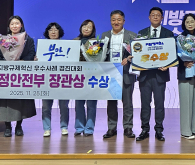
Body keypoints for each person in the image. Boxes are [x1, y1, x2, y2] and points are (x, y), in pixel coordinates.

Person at [0, 15, 37, 137]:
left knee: (20, 101)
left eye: (17, 23)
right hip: (6, 76)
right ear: (9, 26)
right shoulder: (3, 40)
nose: (14, 26)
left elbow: (31, 55)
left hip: (22, 75)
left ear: (21, 25)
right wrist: (7, 63)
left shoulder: (28, 40)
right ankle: (7, 126)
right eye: (12, 24)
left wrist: (20, 62)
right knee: (6, 101)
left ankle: (19, 126)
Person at [136, 7, 174, 142]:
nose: (156, 17)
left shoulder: (168, 33)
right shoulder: (142, 33)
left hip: (160, 75)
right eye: (153, 15)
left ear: (162, 17)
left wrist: (168, 64)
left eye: (158, 15)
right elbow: (137, 52)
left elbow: (172, 53)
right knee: (145, 104)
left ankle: (159, 130)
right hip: (145, 75)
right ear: (149, 17)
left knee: (159, 104)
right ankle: (144, 129)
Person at [101, 10, 137, 139]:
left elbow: (138, 54)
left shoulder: (132, 35)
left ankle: (128, 127)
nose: (116, 22)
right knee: (111, 103)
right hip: (110, 74)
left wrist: (129, 58)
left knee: (127, 102)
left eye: (119, 19)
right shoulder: (104, 36)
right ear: (110, 21)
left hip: (126, 72)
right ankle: (111, 128)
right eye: (113, 20)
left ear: (124, 21)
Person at [176, 13, 195, 140]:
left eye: (192, 21)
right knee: (185, 102)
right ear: (184, 24)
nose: (190, 24)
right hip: (184, 72)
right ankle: (185, 131)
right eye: (187, 22)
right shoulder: (179, 38)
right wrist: (183, 62)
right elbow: (174, 56)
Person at [40, 22, 71, 137]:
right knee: (46, 106)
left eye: (55, 29)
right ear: (47, 32)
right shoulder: (42, 46)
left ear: (59, 32)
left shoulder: (66, 46)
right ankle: (46, 128)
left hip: (63, 80)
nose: (53, 32)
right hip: (46, 80)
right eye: (51, 29)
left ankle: (64, 127)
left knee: (64, 106)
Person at [74, 19, 98, 136]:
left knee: (91, 104)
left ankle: (89, 128)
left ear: (93, 30)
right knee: (78, 104)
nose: (86, 28)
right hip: (77, 77)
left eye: (89, 27)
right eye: (84, 26)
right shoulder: (74, 41)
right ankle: (79, 127)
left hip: (92, 76)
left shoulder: (96, 43)